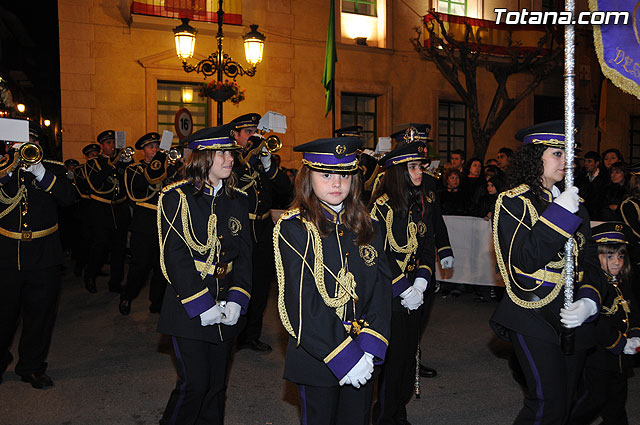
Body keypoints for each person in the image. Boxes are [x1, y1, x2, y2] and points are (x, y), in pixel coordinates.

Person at [490, 120, 603, 424]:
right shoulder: (513, 202)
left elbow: (591, 261)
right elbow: (524, 260)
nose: (567, 162)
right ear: (534, 157)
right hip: (532, 312)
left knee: (567, 401)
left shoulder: (576, 203)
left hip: (572, 314)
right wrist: (560, 215)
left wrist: (590, 301)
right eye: (557, 153)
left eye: (569, 155)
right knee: (546, 400)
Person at [274, 136, 391, 425]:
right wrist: (344, 356)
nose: (336, 183)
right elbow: (302, 303)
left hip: (364, 352)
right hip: (319, 353)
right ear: (308, 177)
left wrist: (370, 348)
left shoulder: (370, 226)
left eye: (343, 175)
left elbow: (380, 290)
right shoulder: (294, 229)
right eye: (326, 175)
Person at [157, 124, 252, 425]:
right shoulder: (177, 198)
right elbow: (175, 257)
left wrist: (238, 298)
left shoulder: (238, 200)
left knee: (216, 387)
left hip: (227, 304)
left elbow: (246, 256)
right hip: (189, 306)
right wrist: (202, 304)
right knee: (194, 385)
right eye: (221, 153)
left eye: (231, 153)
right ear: (202, 157)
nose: (230, 159)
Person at [0, 129, 76, 389]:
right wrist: (8, 169)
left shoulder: (53, 167)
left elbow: (69, 198)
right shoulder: (2, 167)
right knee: (3, 316)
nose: (26, 146)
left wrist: (41, 173)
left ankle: (31, 366)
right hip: (7, 256)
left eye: (30, 141)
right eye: (20, 141)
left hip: (44, 256)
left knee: (40, 316)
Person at [370, 141, 435, 425]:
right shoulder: (380, 209)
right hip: (390, 295)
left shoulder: (417, 205)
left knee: (408, 358)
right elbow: (377, 257)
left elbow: (426, 245)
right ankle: (385, 416)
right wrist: (403, 287)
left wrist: (421, 282)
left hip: (414, 293)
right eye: (413, 167)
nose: (420, 171)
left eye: (420, 166)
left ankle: (399, 411)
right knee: (393, 362)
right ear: (398, 172)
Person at [230, 113, 292, 352]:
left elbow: (285, 189)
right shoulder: (231, 159)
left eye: (256, 132)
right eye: (248, 133)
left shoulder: (261, 160)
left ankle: (250, 335)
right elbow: (231, 183)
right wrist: (248, 156)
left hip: (264, 230)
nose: (254, 137)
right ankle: (233, 332)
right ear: (236, 135)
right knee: (238, 282)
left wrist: (268, 165)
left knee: (261, 285)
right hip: (241, 229)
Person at [568, 223, 640, 425]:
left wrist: (635, 334)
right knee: (592, 400)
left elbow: (633, 310)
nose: (616, 262)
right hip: (597, 357)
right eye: (609, 257)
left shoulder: (621, 282)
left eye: (620, 256)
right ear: (595, 256)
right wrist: (620, 343)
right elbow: (596, 323)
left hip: (620, 360)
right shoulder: (591, 286)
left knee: (617, 403)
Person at [119, 132, 182, 315]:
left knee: (162, 267)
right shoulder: (135, 169)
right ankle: (127, 296)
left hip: (165, 220)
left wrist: (172, 167)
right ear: (143, 151)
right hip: (144, 221)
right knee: (140, 266)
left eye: (157, 146)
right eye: (151, 147)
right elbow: (136, 189)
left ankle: (157, 302)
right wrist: (161, 162)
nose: (155, 150)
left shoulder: (166, 167)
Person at [83, 130, 132, 293]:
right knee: (101, 244)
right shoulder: (93, 163)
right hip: (101, 209)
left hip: (119, 209)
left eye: (113, 143)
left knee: (119, 248)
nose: (112, 146)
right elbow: (95, 184)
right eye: (109, 143)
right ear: (102, 146)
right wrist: (114, 164)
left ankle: (115, 282)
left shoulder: (121, 161)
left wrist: (125, 165)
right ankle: (90, 274)